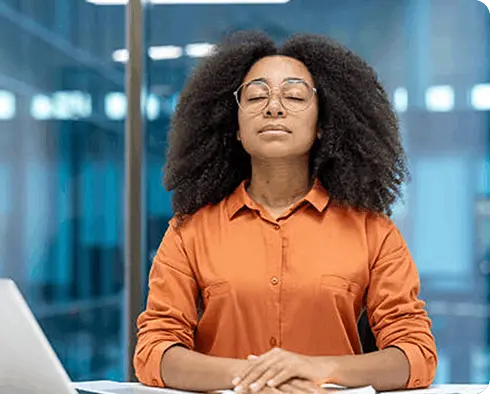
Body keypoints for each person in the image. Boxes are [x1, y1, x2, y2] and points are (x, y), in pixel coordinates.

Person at [133, 30, 437, 394]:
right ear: (236, 129)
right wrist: (256, 378)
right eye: (257, 96)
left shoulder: (373, 231)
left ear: (323, 125)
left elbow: (416, 354)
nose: (273, 107)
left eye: (294, 96)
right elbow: (154, 351)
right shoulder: (189, 231)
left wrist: (316, 370)